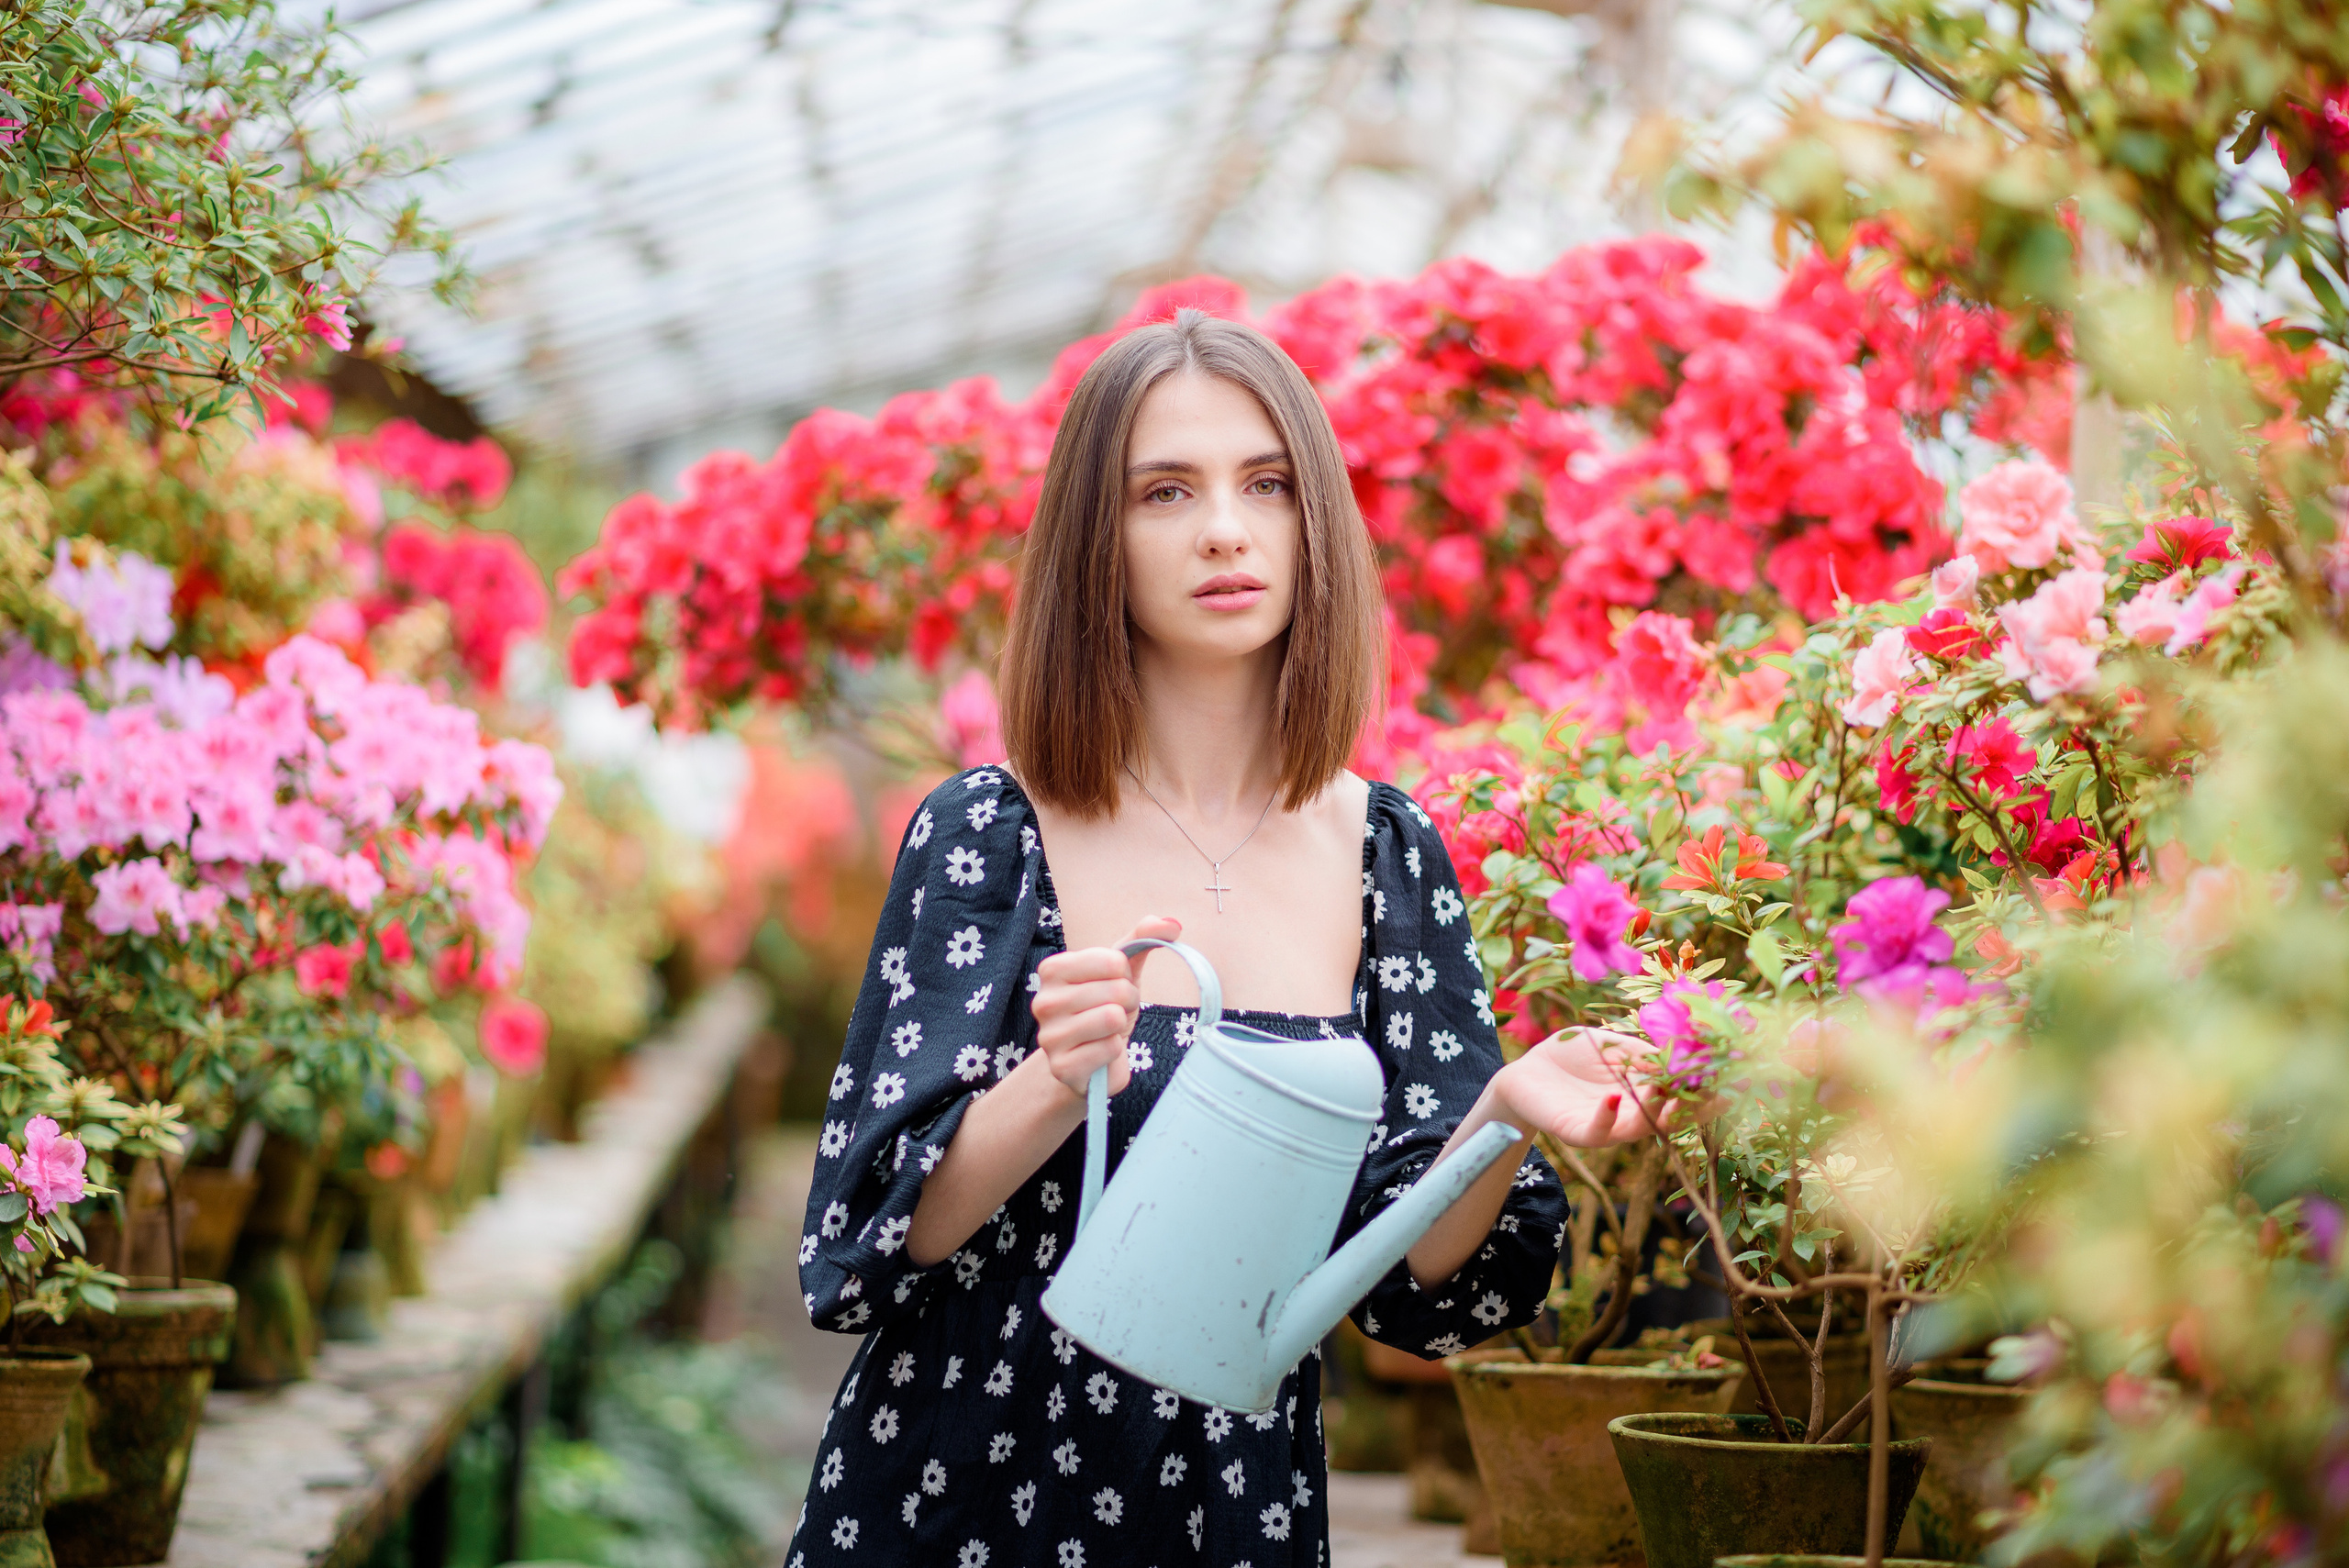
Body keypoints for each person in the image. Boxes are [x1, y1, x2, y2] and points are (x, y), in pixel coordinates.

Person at [787, 310, 1664, 1565]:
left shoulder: (1383, 854)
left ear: (1317, 521)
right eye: (1164, 490)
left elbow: (1418, 1283)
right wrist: (1051, 1078)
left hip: (1231, 1511)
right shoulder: (991, 830)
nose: (1223, 528)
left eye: (1267, 483)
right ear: (1099, 537)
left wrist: (1504, 1115)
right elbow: (871, 1241)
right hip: (956, 1494)